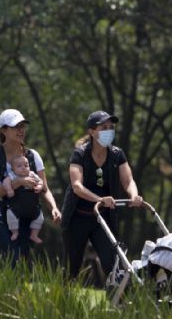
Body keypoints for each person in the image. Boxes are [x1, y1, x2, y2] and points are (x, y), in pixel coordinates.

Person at [61, 110, 143, 280]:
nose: (109, 131)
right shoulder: (80, 154)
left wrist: (134, 195)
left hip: (103, 219)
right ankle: (63, 299)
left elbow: (128, 181)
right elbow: (77, 186)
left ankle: (118, 301)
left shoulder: (117, 154)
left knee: (112, 263)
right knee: (72, 268)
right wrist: (99, 199)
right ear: (92, 131)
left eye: (111, 127)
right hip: (78, 217)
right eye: (103, 127)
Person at [0, 108, 61, 261]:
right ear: (3, 130)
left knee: (21, 263)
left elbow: (44, 188)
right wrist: (17, 182)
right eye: (15, 126)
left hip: (27, 216)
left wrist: (54, 208)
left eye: (23, 126)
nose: (21, 130)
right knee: (13, 259)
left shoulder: (33, 155)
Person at [3, 154, 45, 244]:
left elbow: (41, 181)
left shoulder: (32, 174)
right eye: (19, 166)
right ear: (13, 169)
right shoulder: (12, 175)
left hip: (33, 208)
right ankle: (15, 232)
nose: (23, 168)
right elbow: (5, 182)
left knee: (40, 218)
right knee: (10, 215)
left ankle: (34, 234)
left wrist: (40, 186)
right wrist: (9, 189)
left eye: (26, 165)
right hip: (16, 207)